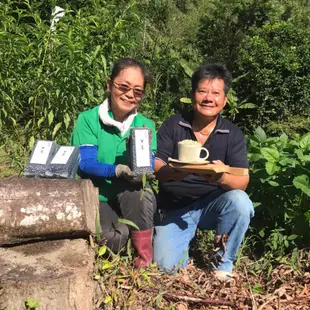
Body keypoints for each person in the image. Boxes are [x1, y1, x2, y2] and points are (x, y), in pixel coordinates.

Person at [153, 63, 254, 280]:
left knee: (240, 202)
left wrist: (220, 177)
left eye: (216, 93)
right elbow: (156, 164)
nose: (209, 98)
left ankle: (222, 263)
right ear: (192, 95)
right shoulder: (174, 124)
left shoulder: (232, 133)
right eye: (202, 91)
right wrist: (171, 172)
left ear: (225, 100)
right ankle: (180, 245)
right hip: (175, 207)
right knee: (165, 269)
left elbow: (242, 181)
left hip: (211, 205)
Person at [71, 58, 157, 268]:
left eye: (137, 91)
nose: (130, 95)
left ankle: (143, 263)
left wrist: (147, 168)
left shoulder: (145, 124)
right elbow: (85, 163)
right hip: (98, 194)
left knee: (141, 196)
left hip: (130, 193)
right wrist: (117, 170)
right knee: (116, 236)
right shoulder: (89, 120)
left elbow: (150, 159)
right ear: (109, 84)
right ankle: (120, 243)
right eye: (124, 87)